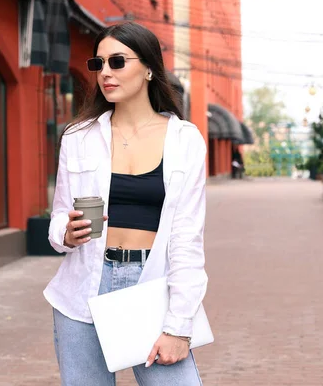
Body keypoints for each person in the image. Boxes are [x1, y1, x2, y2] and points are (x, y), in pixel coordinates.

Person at [43, 21, 208, 386]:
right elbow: (58, 216)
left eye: (117, 61)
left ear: (149, 68)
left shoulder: (185, 140)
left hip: (151, 285)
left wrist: (179, 327)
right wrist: (66, 234)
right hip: (83, 288)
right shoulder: (78, 137)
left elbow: (186, 238)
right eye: (98, 64)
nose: (105, 73)